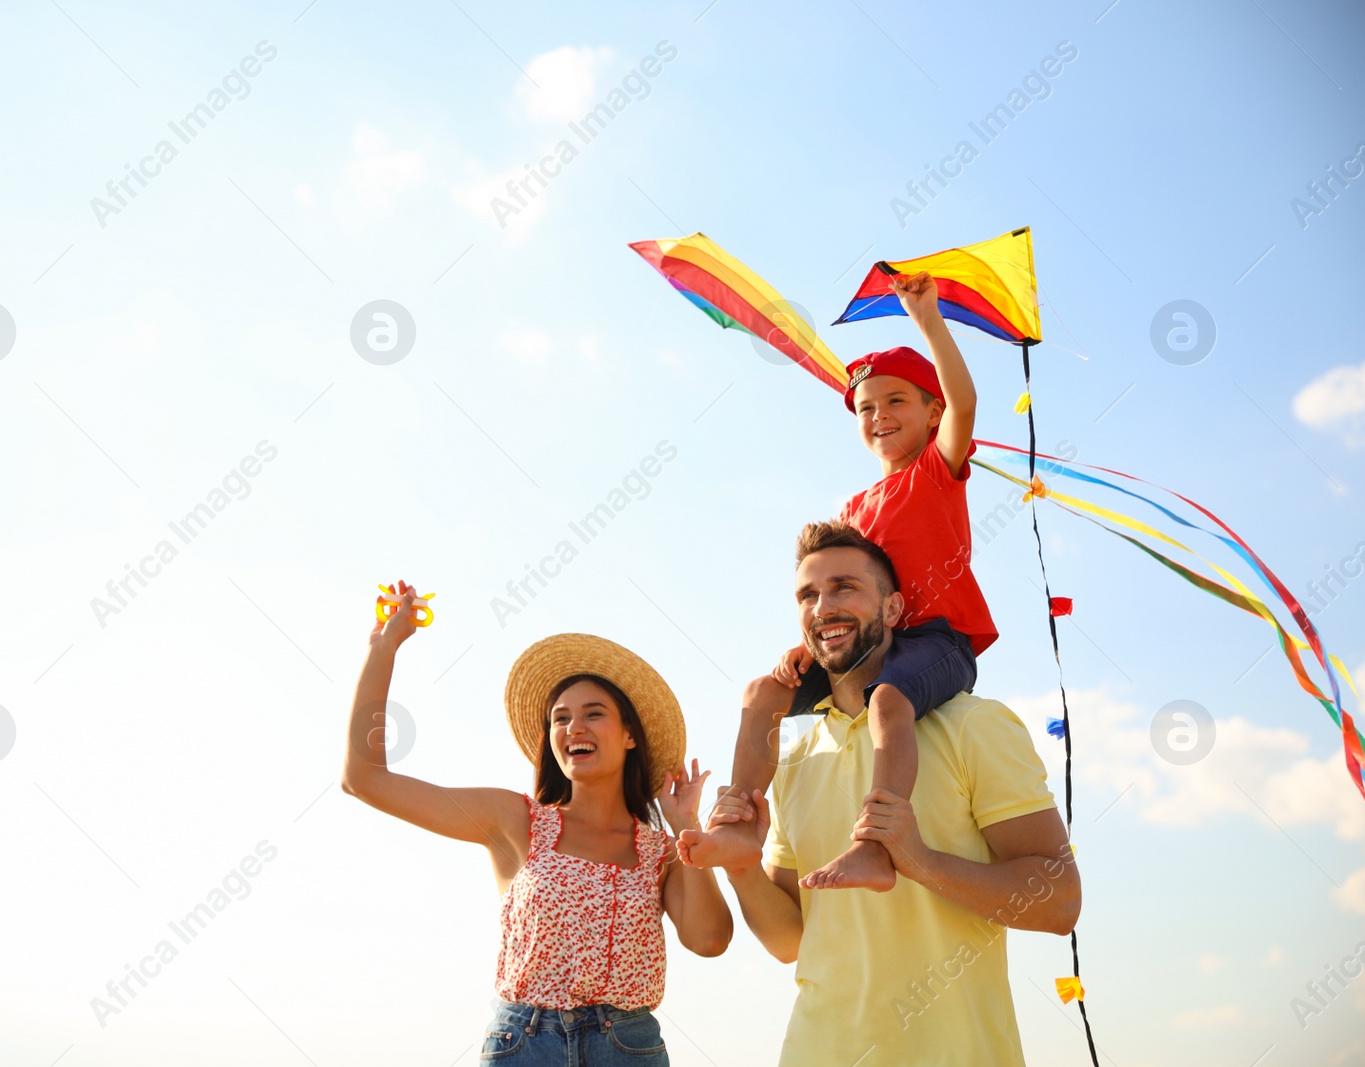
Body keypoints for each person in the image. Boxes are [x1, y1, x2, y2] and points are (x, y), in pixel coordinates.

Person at [679, 523, 1079, 1065]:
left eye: (845, 587)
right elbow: (790, 942)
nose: (824, 606)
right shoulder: (794, 756)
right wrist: (744, 868)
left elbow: (1059, 904)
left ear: (892, 610)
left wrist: (919, 862)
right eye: (808, 595)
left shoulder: (974, 725)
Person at [683, 269, 995, 890]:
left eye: (896, 401)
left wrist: (927, 319)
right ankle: (742, 815)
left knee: (888, 699)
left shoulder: (937, 470)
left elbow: (966, 403)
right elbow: (838, 592)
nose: (879, 415)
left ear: (932, 413)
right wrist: (810, 646)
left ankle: (876, 848)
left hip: (937, 641)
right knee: (762, 693)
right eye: (866, 407)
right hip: (868, 644)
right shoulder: (853, 509)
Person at [342, 581, 732, 1065]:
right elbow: (365, 780)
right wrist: (383, 650)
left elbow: (710, 941)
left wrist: (685, 826)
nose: (574, 728)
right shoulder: (514, 819)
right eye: (560, 719)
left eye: (594, 714)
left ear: (630, 734)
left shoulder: (663, 851)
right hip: (523, 1044)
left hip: (628, 1048)